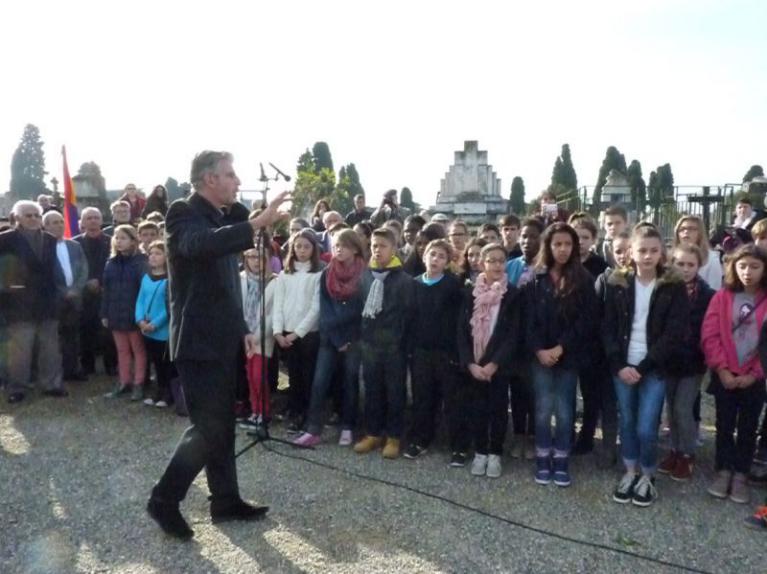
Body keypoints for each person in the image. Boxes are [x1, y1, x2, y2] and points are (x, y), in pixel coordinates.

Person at [148, 150, 290, 540]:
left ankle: (225, 500)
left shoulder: (221, 217)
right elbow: (199, 246)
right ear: (209, 179)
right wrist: (255, 222)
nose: (237, 181)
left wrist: (243, 327)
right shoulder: (183, 213)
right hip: (197, 342)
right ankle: (163, 499)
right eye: (230, 174)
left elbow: (226, 286)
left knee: (222, 424)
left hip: (224, 338)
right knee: (207, 428)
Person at [603, 225, 689, 507]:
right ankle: (630, 471)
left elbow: (674, 333)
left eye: (654, 250)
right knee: (627, 421)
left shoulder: (673, 286)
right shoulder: (617, 283)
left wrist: (643, 366)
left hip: (653, 368)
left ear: (662, 252)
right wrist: (619, 365)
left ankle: (648, 475)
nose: (648, 256)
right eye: (642, 250)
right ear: (632, 252)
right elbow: (608, 328)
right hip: (623, 366)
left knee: (646, 427)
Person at [525, 223, 598, 487]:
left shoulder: (583, 279)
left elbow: (586, 320)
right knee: (543, 409)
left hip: (568, 356)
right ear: (548, 246)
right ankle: (543, 456)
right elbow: (527, 319)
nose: (563, 249)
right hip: (540, 356)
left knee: (566, 410)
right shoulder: (535, 278)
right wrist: (538, 349)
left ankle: (562, 458)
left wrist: (561, 347)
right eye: (557, 244)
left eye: (568, 244)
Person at [702, 244, 767, 506]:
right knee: (725, 424)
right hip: (725, 374)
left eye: (754, 266)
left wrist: (756, 373)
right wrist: (721, 369)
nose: (748, 272)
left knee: (748, 427)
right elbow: (710, 335)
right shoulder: (722, 297)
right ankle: (723, 469)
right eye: (742, 266)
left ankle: (741, 473)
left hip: (754, 377)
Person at [293, 229, 366, 447]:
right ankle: (313, 429)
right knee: (320, 381)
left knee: (350, 381)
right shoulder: (327, 273)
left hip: (353, 338)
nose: (339, 250)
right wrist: (336, 338)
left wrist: (348, 338)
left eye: (344, 246)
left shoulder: (364, 274)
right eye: (336, 246)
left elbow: (361, 311)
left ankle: (348, 426)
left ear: (355, 249)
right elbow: (324, 308)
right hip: (330, 338)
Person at [458, 242, 522, 478]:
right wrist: (470, 363)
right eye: (491, 260)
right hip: (475, 363)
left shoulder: (512, 294)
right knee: (477, 408)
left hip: (498, 365)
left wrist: (494, 363)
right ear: (482, 263)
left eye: (501, 261)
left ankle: (495, 452)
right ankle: (480, 451)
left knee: (498, 408)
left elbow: (513, 334)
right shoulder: (470, 292)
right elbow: (461, 331)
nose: (496, 265)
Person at [354, 227, 415, 459]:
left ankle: (394, 436)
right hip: (370, 346)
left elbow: (409, 316)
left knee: (395, 392)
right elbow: (360, 309)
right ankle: (373, 433)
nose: (377, 250)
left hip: (394, 348)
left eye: (383, 246)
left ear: (394, 248)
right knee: (372, 390)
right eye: (374, 246)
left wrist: (402, 344)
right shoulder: (365, 276)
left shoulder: (404, 280)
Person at [404, 239, 467, 464]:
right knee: (422, 398)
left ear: (447, 262)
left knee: (452, 401)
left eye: (441, 256)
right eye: (432, 254)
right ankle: (421, 440)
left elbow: (459, 322)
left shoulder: (453, 285)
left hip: (446, 353)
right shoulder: (414, 284)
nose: (435, 259)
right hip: (421, 352)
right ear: (424, 256)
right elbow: (409, 319)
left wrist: (457, 353)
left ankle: (458, 446)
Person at [0, 200, 68, 404]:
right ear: (17, 218)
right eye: (28, 215)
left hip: (47, 302)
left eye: (37, 215)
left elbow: (54, 270)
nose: (33, 219)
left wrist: (60, 294)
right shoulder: (5, 239)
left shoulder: (50, 239)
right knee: (20, 350)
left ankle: (51, 385)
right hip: (18, 304)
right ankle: (17, 388)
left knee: (50, 347)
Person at [657, 244, 714, 481]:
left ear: (699, 266)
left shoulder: (707, 295)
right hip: (669, 359)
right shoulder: (664, 289)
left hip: (693, 362)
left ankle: (687, 453)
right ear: (672, 263)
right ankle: (675, 449)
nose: (685, 269)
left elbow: (709, 329)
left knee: (683, 407)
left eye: (691, 264)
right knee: (671, 407)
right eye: (680, 263)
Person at [272, 228, 323, 432]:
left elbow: (316, 308)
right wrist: (278, 331)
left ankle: (306, 414)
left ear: (313, 249)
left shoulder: (318, 274)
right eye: (298, 246)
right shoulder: (285, 274)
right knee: (293, 374)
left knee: (307, 374)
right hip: (286, 332)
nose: (302, 250)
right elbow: (278, 303)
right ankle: (294, 409)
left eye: (306, 247)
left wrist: (297, 333)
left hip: (308, 334)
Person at [101, 225, 148, 401]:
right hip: (115, 312)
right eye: (117, 237)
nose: (119, 241)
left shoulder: (141, 262)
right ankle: (124, 381)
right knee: (122, 350)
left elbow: (145, 290)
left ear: (133, 241)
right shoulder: (111, 263)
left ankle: (139, 383)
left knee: (138, 350)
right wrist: (104, 313)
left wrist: (143, 314)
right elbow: (106, 290)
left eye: (123, 238)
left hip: (135, 313)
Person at [43, 210, 89, 382]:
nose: (59, 225)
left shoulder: (74, 245)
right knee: (54, 340)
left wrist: (76, 289)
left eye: (61, 221)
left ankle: (73, 369)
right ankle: (56, 373)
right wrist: (64, 291)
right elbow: (45, 275)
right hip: (54, 301)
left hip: (75, 299)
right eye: (54, 222)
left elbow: (84, 268)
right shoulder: (43, 248)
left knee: (73, 336)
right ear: (45, 226)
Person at [238, 244, 277, 432]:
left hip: (263, 335)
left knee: (258, 375)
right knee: (249, 375)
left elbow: (273, 313)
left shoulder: (274, 281)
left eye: (260, 257)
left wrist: (257, 336)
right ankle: (255, 411)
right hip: (245, 334)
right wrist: (245, 332)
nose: (255, 261)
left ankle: (264, 412)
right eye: (251, 257)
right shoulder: (241, 279)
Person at [74, 207, 116, 375]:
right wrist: (87, 281)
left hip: (107, 292)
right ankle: (87, 365)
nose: (93, 221)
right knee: (85, 330)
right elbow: (74, 268)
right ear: (83, 222)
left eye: (96, 217)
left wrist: (99, 280)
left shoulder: (112, 241)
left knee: (108, 331)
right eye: (89, 218)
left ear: (101, 220)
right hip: (84, 293)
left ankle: (111, 365)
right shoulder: (74, 243)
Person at [135, 240, 173, 408]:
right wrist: (140, 320)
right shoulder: (146, 278)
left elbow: (169, 306)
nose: (153, 257)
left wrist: (156, 323)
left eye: (158, 253)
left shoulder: (170, 280)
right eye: (151, 253)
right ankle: (158, 390)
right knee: (155, 362)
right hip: (147, 328)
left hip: (162, 330)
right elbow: (140, 300)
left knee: (166, 363)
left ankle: (168, 393)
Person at [674, 215, 722, 290]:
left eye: (691, 229)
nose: (686, 232)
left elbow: (715, 289)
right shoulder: (670, 256)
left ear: (700, 233)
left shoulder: (712, 259)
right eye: (682, 229)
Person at [506, 218, 543, 288]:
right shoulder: (508, 266)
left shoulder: (547, 267)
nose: (527, 241)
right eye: (524, 236)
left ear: (542, 239)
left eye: (533, 237)